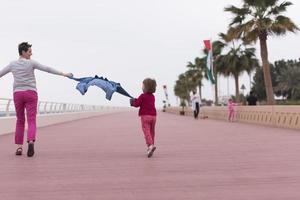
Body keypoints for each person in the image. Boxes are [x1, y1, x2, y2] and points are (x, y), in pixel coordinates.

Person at [0, 42, 73, 157]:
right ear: (23, 52)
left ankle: (19, 148)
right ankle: (30, 141)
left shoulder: (12, 64)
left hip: (17, 94)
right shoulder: (31, 63)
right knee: (31, 120)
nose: (31, 53)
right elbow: (47, 69)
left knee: (20, 120)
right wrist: (63, 73)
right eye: (29, 51)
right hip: (31, 93)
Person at [130, 78, 157, 158]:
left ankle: (150, 145)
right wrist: (136, 100)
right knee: (152, 132)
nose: (142, 87)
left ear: (146, 87)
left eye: (143, 86)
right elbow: (144, 102)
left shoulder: (142, 96)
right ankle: (150, 146)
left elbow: (137, 104)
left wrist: (132, 102)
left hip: (145, 116)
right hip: (153, 117)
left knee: (147, 132)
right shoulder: (152, 96)